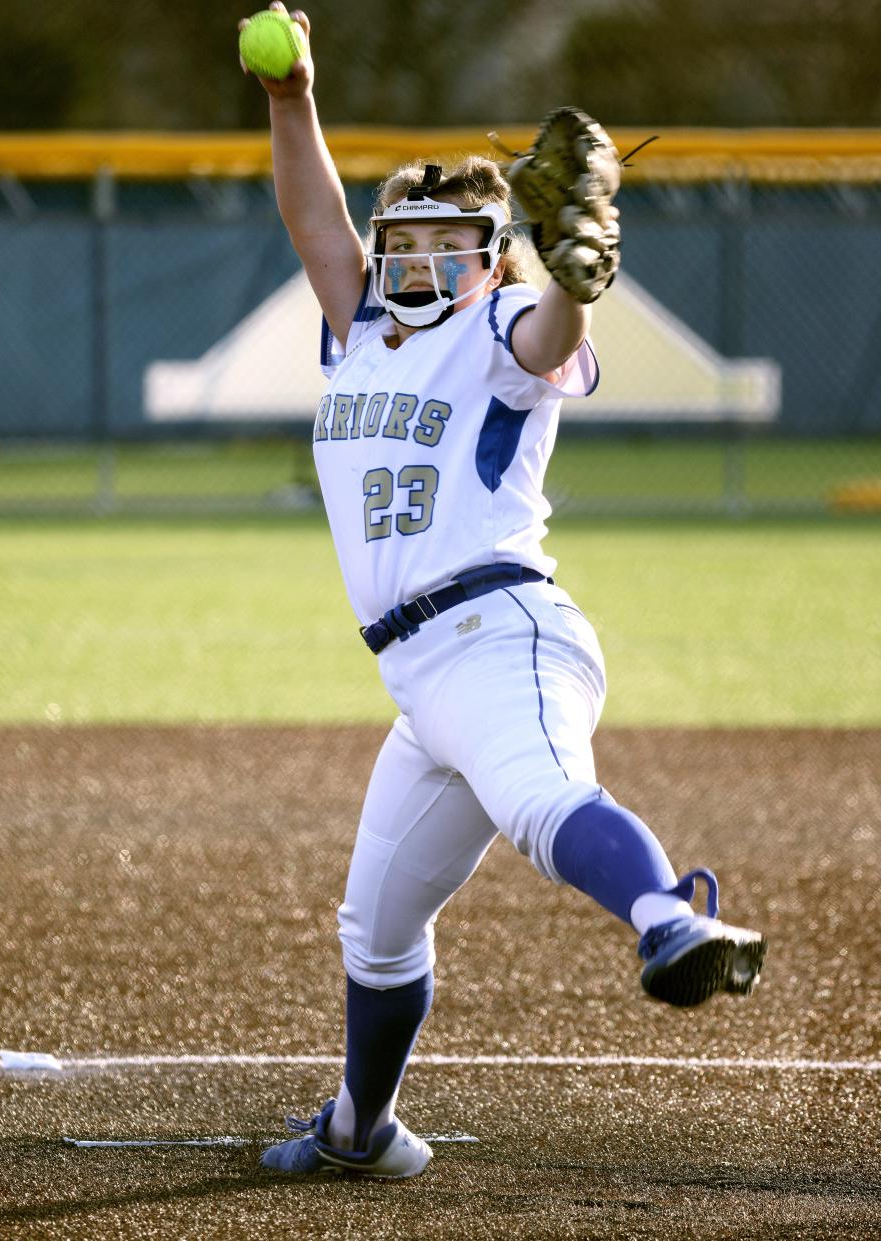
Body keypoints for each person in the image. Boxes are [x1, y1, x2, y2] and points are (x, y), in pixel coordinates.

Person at [240, 3, 767, 1180]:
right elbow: (312, 213)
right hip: (422, 676)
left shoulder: (500, 324)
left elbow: (552, 329)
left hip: (500, 633)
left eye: (447, 239)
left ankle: (670, 914)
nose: (418, 257)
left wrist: (576, 278)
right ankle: (363, 1128)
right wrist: (292, 101)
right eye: (405, 237)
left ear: (493, 255)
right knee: (375, 932)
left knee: (541, 797)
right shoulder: (361, 327)